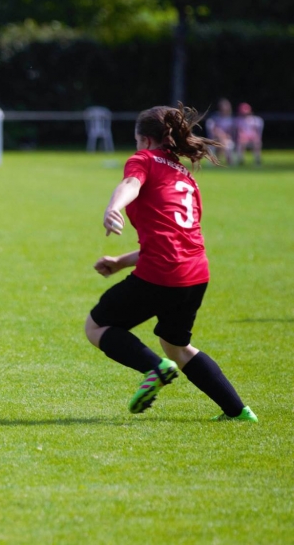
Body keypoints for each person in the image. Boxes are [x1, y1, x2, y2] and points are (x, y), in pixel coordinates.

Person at [84, 103, 256, 421]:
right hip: (196, 274)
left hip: (163, 272)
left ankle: (156, 368)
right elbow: (176, 239)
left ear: (146, 141)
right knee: (176, 346)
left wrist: (113, 208)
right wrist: (122, 262)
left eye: (137, 142)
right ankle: (239, 412)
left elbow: (130, 184)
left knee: (96, 326)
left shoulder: (144, 160)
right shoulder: (187, 178)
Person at [205, 98, 235, 165]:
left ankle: (219, 160)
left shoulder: (230, 119)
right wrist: (222, 135)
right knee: (220, 138)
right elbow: (213, 130)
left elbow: (232, 132)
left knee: (225, 141)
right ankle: (226, 160)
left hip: (227, 139)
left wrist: (226, 136)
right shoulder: (215, 118)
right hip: (215, 138)